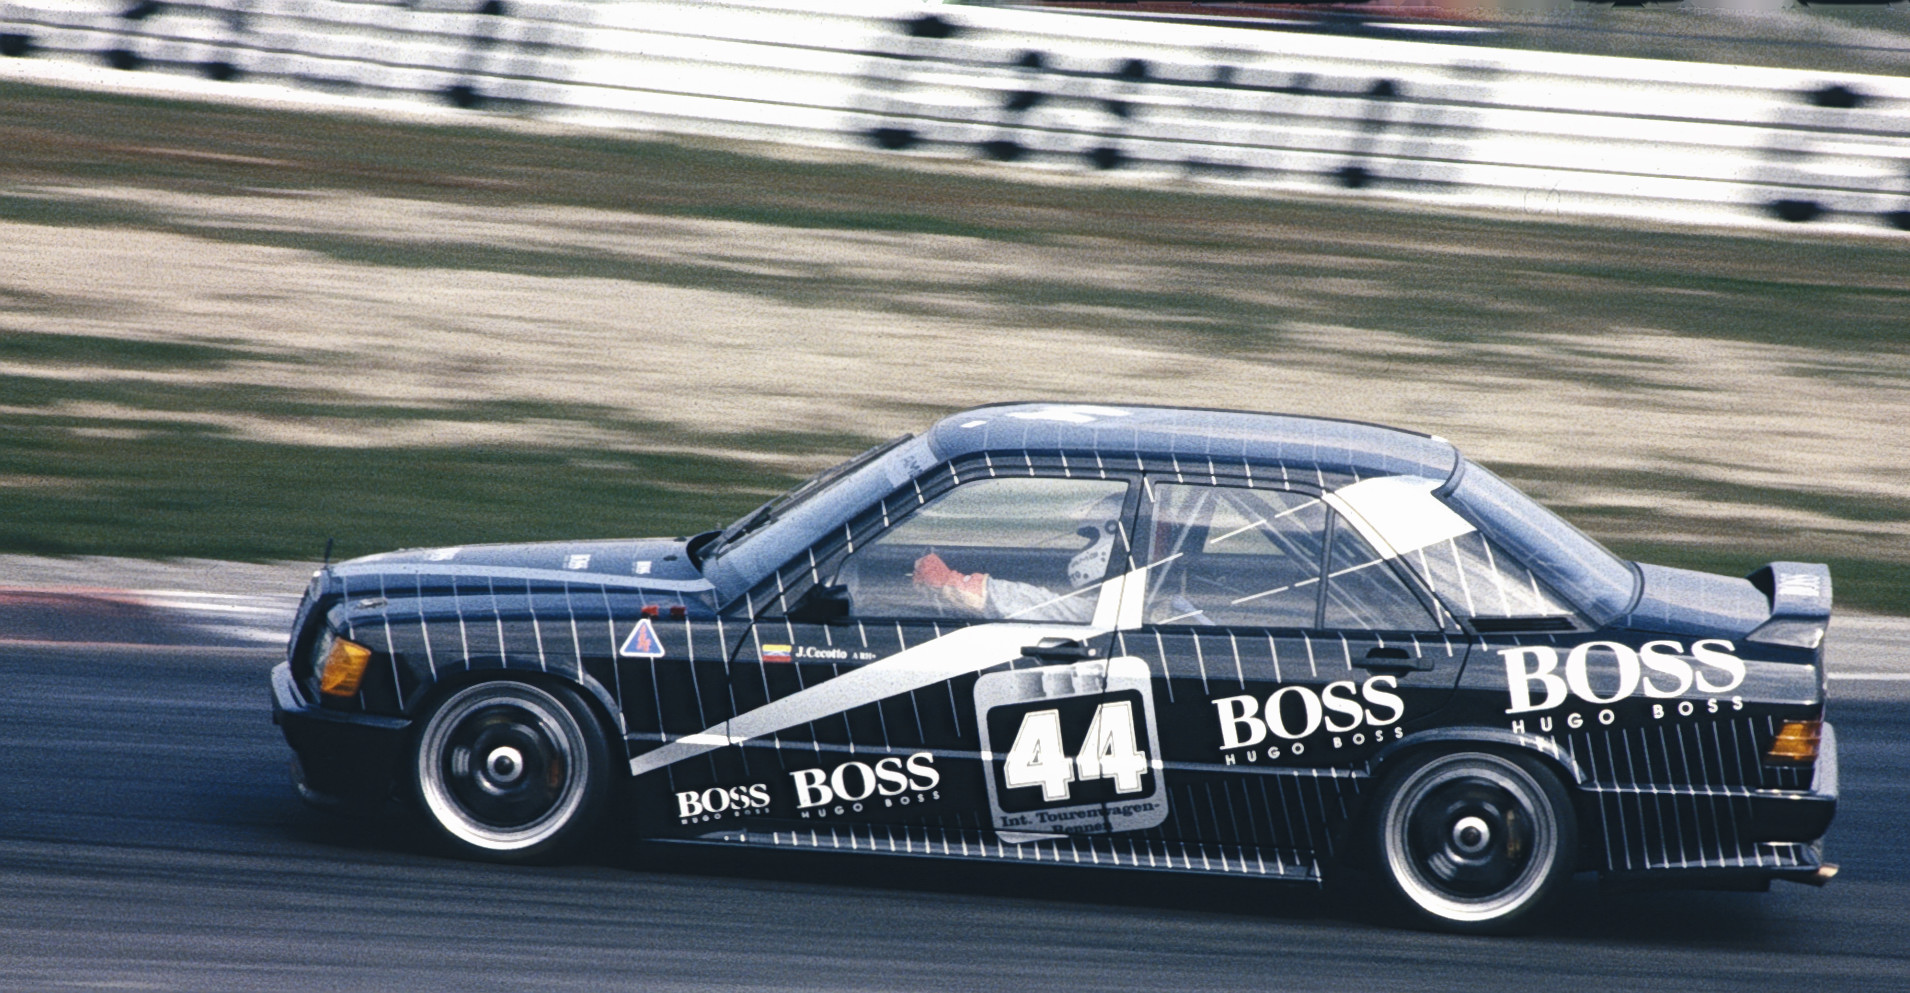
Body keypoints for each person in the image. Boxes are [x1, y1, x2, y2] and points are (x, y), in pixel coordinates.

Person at [910, 496, 1120, 623]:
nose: (1085, 549)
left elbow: (1054, 609)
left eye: (1091, 540)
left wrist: (952, 583)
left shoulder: (1125, 603)